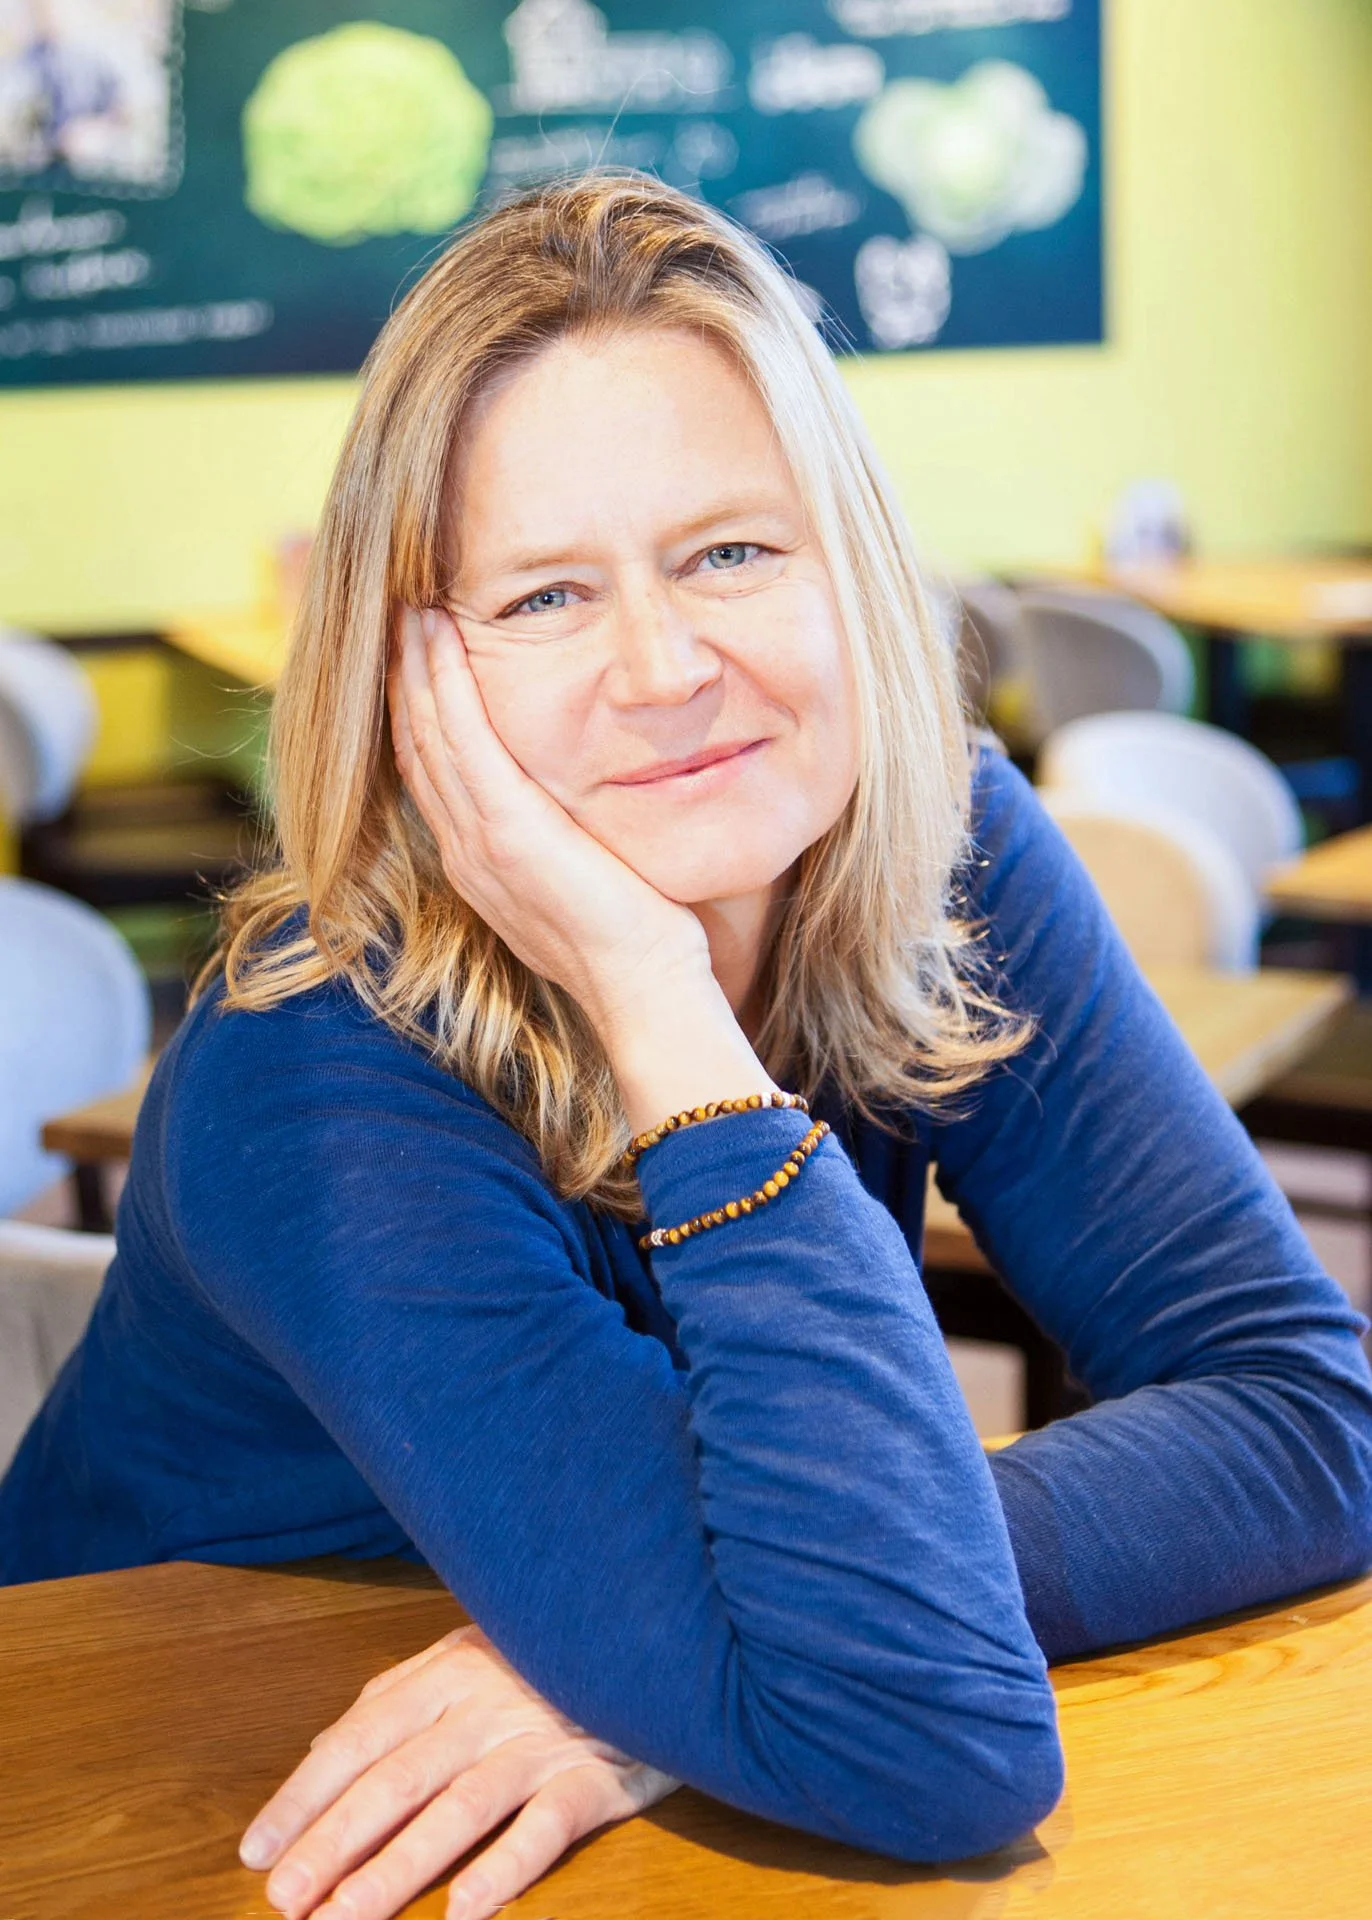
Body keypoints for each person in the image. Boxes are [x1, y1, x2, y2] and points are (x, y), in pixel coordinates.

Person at [3, 173, 1370, 1920]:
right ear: (413, 677)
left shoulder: (936, 841)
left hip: (642, 1781)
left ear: (855, 569)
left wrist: (695, 1640)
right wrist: (661, 996)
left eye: (732, 552)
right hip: (219, 1800)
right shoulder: (318, 1060)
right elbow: (914, 1728)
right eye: (546, 597)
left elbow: (1306, 1406)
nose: (666, 669)